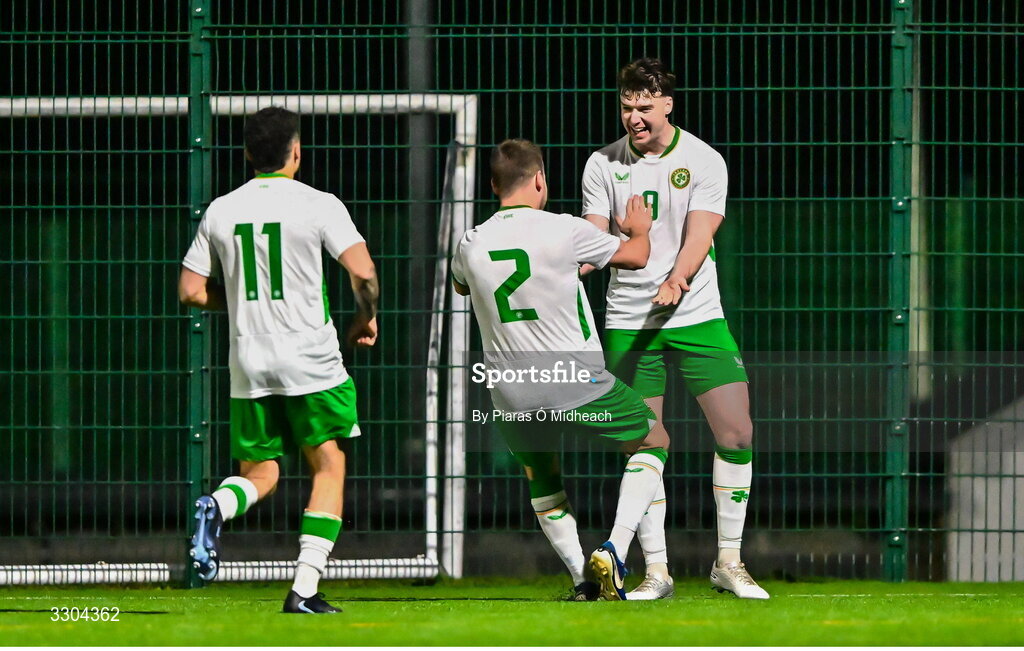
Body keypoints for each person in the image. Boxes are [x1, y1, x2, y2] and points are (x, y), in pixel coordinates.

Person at [580, 58, 768, 599]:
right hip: (628, 323)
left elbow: (700, 235)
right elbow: (596, 242)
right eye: (626, 106)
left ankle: (728, 563)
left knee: (737, 432)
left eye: (644, 106)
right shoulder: (602, 164)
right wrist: (574, 261)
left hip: (695, 313)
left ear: (667, 104)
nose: (634, 116)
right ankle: (656, 572)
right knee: (645, 443)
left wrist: (676, 280)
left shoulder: (704, 160)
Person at [178, 106, 379, 614]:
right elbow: (364, 273)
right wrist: (365, 316)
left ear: (247, 154)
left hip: (249, 358)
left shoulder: (222, 209)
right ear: (296, 152)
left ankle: (217, 505)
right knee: (328, 464)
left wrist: (241, 299)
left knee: (260, 470)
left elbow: (189, 291)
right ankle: (305, 589)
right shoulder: (318, 203)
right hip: (309, 356)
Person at [452, 138, 667, 601]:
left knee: (542, 475)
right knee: (653, 439)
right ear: (540, 180)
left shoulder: (470, 242)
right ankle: (615, 549)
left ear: (492, 185)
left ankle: (581, 582)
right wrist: (640, 230)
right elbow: (636, 258)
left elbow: (461, 287)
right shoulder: (565, 229)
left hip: (511, 389)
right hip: (573, 382)